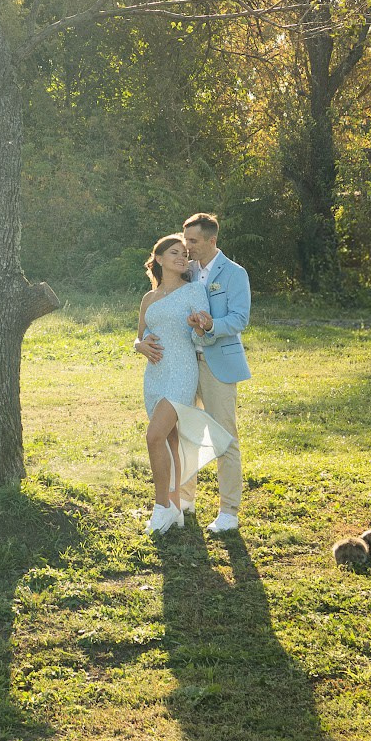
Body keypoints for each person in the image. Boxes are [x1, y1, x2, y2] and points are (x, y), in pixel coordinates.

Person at [134, 211, 252, 533]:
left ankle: (228, 510)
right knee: (182, 434)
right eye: (184, 242)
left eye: (193, 242)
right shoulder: (187, 270)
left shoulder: (233, 273)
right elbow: (146, 327)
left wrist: (211, 324)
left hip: (215, 363)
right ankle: (182, 500)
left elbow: (240, 319)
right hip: (177, 364)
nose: (187, 247)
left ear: (211, 241)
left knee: (223, 435)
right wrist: (139, 343)